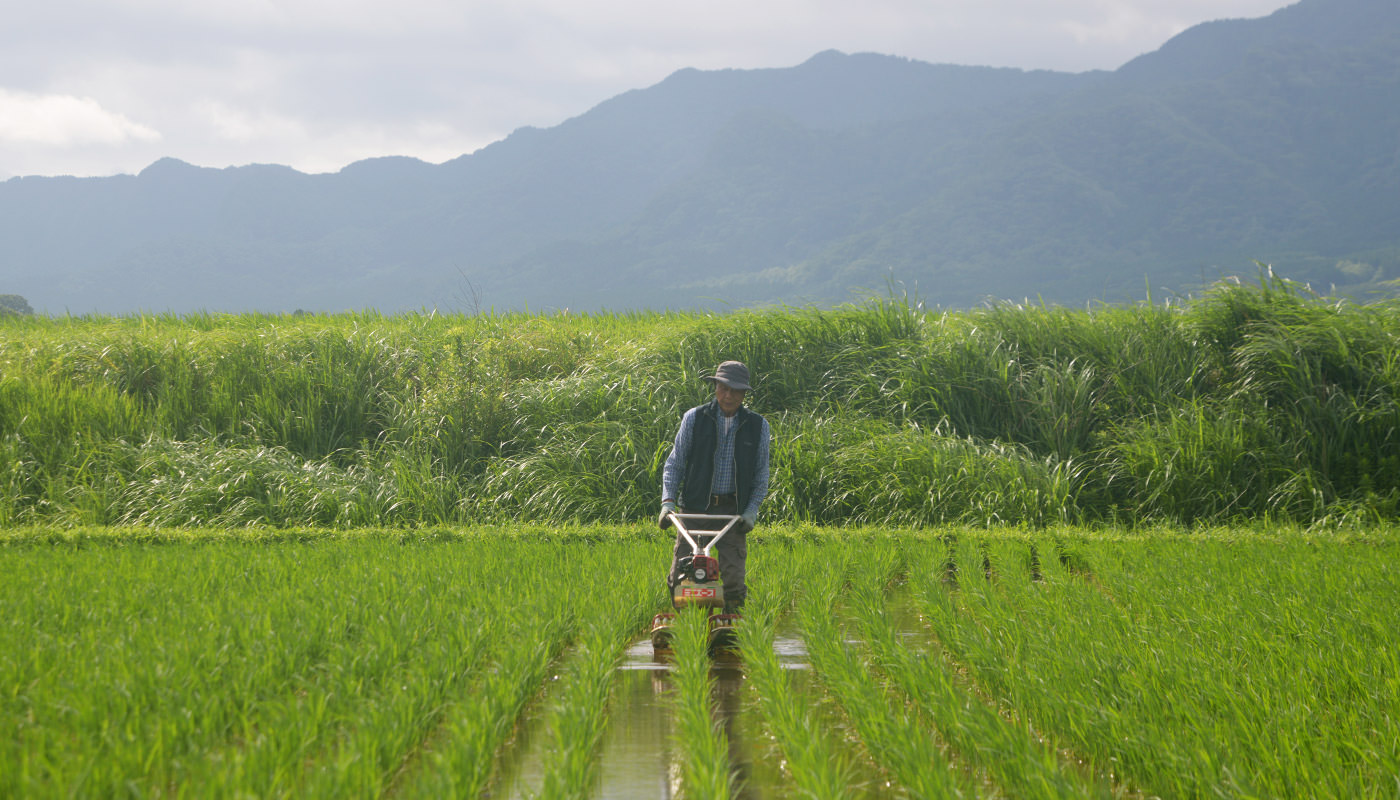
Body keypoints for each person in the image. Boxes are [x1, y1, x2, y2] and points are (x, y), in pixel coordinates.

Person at [658, 360, 771, 613]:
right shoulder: (695, 418)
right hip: (694, 508)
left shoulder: (758, 426)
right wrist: (668, 502)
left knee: (733, 582)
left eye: (735, 390)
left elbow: (761, 475)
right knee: (680, 574)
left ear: (744, 393)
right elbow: (674, 464)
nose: (728, 395)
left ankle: (728, 628)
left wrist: (751, 511)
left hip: (732, 512)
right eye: (723, 388)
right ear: (715, 387)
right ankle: (688, 628)